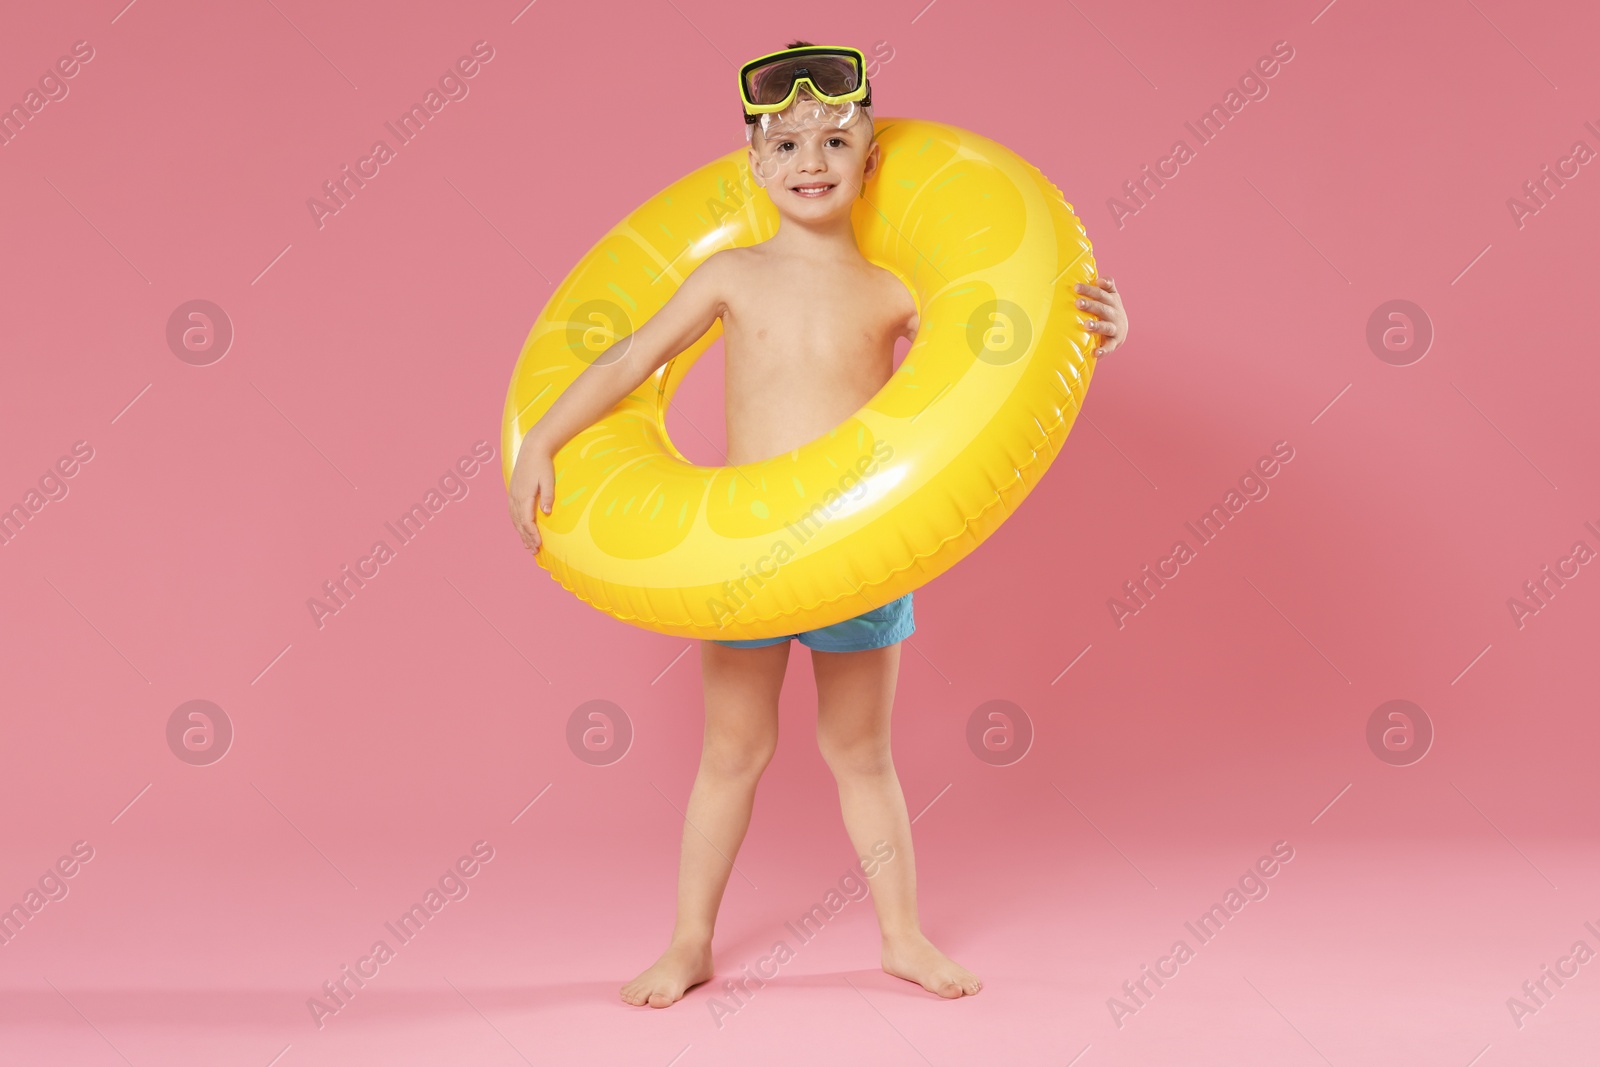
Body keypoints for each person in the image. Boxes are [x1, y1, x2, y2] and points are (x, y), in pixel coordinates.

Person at [506, 40, 1129, 1009]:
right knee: (731, 752)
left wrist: (1098, 326)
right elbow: (629, 359)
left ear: (870, 157)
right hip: (744, 558)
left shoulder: (893, 291)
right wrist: (541, 437)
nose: (811, 160)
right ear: (754, 163)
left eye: (836, 141)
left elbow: (998, 352)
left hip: (859, 555)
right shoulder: (732, 277)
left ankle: (901, 936)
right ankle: (687, 940)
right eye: (787, 143)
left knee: (861, 752)